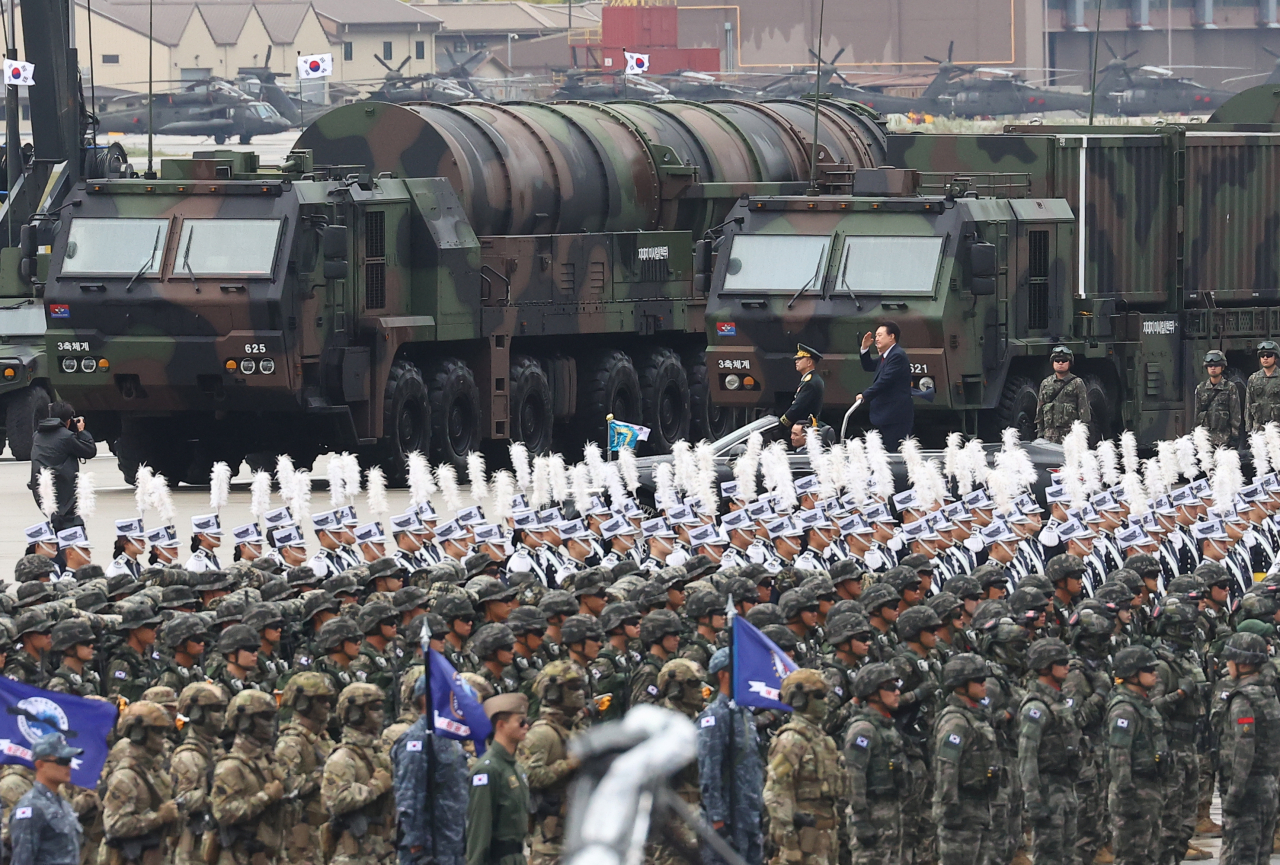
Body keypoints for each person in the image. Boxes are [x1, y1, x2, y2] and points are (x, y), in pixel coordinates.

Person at [762, 669, 846, 865]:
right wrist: (789, 841)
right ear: (800, 699)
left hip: (825, 836)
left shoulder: (822, 739)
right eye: (819, 696)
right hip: (803, 841)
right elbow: (776, 793)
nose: (825, 701)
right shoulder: (791, 740)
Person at [932, 653, 1002, 865]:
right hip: (960, 813)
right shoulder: (955, 721)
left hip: (979, 807)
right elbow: (947, 767)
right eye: (978, 681)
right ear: (961, 684)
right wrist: (950, 810)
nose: (984, 685)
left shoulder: (976, 716)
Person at [1217, 632, 1280, 865]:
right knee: (1260, 856)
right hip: (1269, 786)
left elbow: (1244, 748)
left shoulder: (1243, 698)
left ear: (1242, 663)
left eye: (1230, 660)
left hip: (1248, 791)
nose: (1227, 665)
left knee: (1241, 856)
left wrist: (1234, 793)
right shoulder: (1269, 693)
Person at [1017, 639, 1081, 865]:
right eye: (1061, 662)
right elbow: (1027, 756)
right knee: (1049, 856)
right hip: (1046, 790)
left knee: (1068, 855)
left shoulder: (1058, 702)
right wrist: (1033, 800)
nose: (1067, 666)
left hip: (1064, 787)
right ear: (1045, 666)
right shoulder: (1036, 707)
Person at [392, 675, 468, 865]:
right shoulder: (417, 739)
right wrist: (416, 847)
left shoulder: (448, 735)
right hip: (429, 851)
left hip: (452, 844)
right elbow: (409, 796)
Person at [697, 647, 764, 865]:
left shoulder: (744, 714)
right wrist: (717, 820)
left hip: (749, 817)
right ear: (722, 674)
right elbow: (709, 771)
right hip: (727, 819)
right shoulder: (715, 716)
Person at [209, 690, 289, 865]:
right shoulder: (231, 766)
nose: (270, 724)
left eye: (271, 717)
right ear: (245, 721)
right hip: (239, 857)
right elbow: (223, 813)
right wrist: (265, 797)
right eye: (264, 717)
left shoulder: (267, 760)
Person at [1106, 646, 1167, 865]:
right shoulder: (1124, 709)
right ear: (1132, 675)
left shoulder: (1143, 704)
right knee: (1132, 856)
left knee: (1149, 855)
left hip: (1149, 789)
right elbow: (1119, 754)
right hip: (1133, 792)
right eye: (1148, 670)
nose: (1155, 674)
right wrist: (1126, 795)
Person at [322, 683, 395, 865]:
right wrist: (375, 788)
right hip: (353, 855)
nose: (380, 713)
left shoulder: (377, 753)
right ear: (355, 713)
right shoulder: (343, 757)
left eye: (380, 707)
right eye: (373, 708)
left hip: (381, 850)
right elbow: (335, 801)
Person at [843, 662, 909, 865]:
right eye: (890, 687)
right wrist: (861, 820)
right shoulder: (863, 729)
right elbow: (854, 774)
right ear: (872, 692)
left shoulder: (886, 726)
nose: (897, 692)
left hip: (891, 813)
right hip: (871, 814)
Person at [466, 693, 532, 865]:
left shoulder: (516, 768)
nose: (526, 726)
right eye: (521, 721)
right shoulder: (487, 770)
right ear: (502, 725)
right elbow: (479, 830)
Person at [9, 733, 84, 865]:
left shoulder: (63, 804)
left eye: (69, 761)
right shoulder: (30, 808)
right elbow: (22, 860)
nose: (69, 766)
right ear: (41, 765)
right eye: (62, 761)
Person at [29, 401, 95, 531]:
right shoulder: (67, 437)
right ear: (68, 420)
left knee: (59, 527)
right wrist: (81, 431)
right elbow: (90, 451)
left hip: (44, 491)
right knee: (73, 530)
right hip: (65, 492)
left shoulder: (37, 436)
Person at [858, 322, 913, 450]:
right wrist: (864, 348)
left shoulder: (897, 356)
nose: (876, 339)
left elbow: (885, 381)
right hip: (886, 414)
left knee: (894, 451)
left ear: (891, 337)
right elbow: (869, 366)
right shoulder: (886, 356)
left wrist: (865, 395)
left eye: (880, 335)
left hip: (895, 415)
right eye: (876, 336)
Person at [1035, 346, 1091, 443]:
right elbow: (1040, 410)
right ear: (1052, 363)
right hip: (1049, 435)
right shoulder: (1046, 383)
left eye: (1064, 360)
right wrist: (1040, 433)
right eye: (1057, 360)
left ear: (1069, 363)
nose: (1060, 363)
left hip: (1070, 435)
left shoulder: (1077, 383)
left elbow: (1084, 410)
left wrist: (1082, 435)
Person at [1195, 350, 1242, 448]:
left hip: (1225, 441)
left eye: (1216, 365)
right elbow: (1197, 414)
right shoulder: (1201, 388)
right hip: (1206, 442)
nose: (1213, 368)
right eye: (1210, 366)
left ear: (1222, 367)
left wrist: (1234, 437)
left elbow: (1235, 415)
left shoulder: (1230, 387)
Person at [779, 344, 825, 430]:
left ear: (809, 362)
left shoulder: (810, 382)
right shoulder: (810, 379)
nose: (796, 361)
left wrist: (782, 423)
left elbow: (797, 407)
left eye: (800, 359)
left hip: (805, 429)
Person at [1246, 339, 1280, 433]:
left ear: (1275, 358)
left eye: (1269, 355)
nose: (1265, 358)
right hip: (1258, 430)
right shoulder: (1253, 379)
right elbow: (1248, 406)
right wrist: (1248, 430)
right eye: (1262, 356)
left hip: (1277, 429)